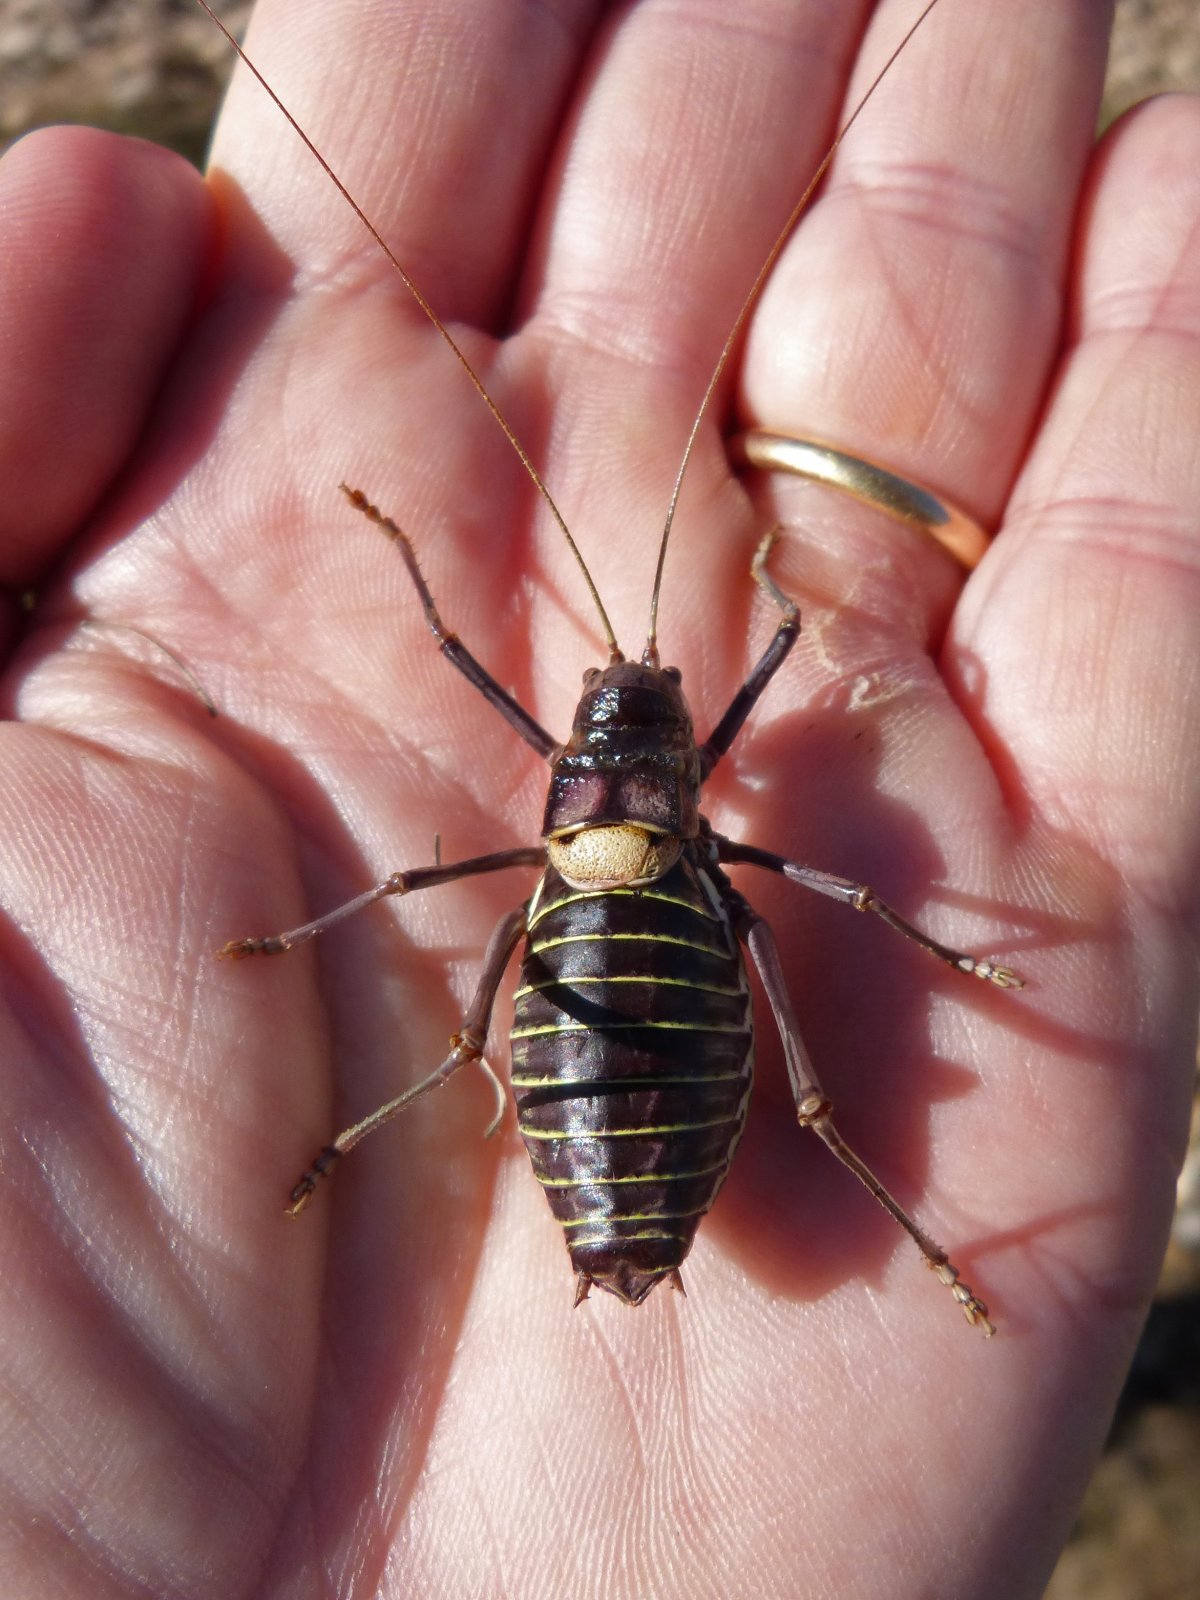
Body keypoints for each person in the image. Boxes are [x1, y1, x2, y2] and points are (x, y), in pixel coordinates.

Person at [1, 1, 1196, 1593]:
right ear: (666, 754)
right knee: (760, 1006)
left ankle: (400, 1139)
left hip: (600, 977)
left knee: (519, 962)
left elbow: (522, 644)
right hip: (657, 963)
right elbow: (768, 649)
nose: (633, 697)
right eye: (642, 709)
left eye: (623, 707)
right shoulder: (715, 823)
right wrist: (787, 609)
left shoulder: (601, 817)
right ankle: (911, 1233)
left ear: (585, 753)